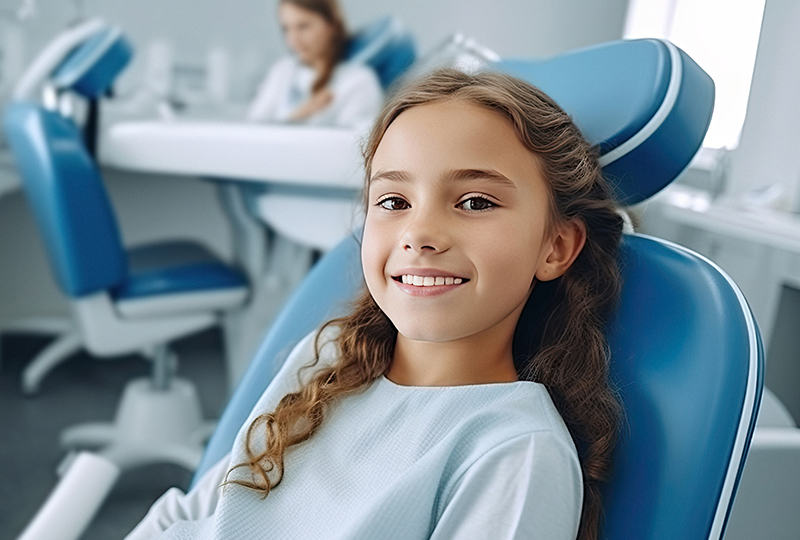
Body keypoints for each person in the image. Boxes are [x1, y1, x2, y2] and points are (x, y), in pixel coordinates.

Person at [126, 68, 624, 540]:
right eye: (393, 202)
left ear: (556, 246)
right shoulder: (325, 362)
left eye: (475, 202)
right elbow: (199, 512)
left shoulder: (514, 451)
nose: (420, 234)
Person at [246, 0, 383, 131]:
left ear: (331, 25)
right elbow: (252, 129)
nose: (293, 40)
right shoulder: (282, 70)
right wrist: (300, 114)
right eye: (286, 29)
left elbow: (352, 145)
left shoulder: (359, 81)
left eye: (303, 26)